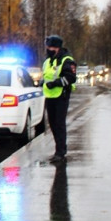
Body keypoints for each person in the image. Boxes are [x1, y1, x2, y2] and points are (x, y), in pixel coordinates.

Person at [42, 35, 77, 164]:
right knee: (52, 124)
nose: (48, 49)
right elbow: (47, 76)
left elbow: (71, 78)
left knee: (59, 124)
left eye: (50, 47)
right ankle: (59, 149)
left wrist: (56, 83)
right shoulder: (48, 61)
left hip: (61, 96)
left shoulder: (66, 60)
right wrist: (42, 82)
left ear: (57, 47)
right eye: (47, 47)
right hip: (50, 96)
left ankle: (60, 152)